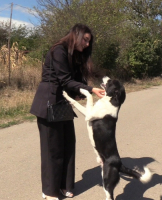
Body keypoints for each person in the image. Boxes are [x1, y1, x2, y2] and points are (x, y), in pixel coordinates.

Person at [30, 24, 105, 200]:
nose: (87, 44)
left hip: (62, 103)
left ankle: (65, 186)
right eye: (85, 40)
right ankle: (49, 191)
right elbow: (65, 80)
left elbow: (74, 82)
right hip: (48, 103)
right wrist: (90, 89)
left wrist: (87, 91)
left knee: (68, 146)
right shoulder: (59, 50)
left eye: (89, 41)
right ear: (76, 35)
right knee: (52, 149)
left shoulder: (75, 56)